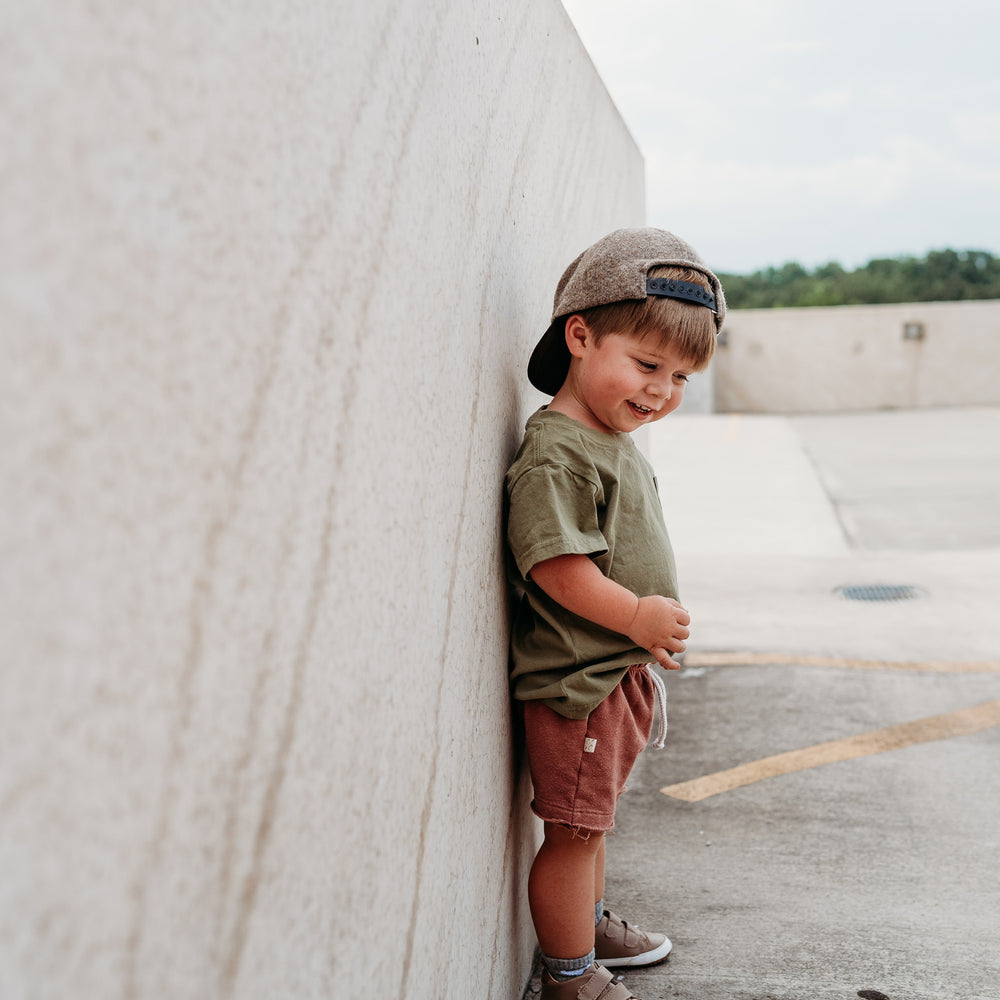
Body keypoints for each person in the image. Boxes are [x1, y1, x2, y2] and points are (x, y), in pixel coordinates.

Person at [504, 228, 725, 999]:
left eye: (681, 377)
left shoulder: (611, 436)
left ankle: (587, 921)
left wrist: (639, 637)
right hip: (576, 686)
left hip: (611, 679)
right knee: (572, 833)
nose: (661, 391)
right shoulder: (558, 451)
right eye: (647, 365)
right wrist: (636, 616)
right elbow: (558, 568)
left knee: (592, 824)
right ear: (580, 334)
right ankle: (570, 976)